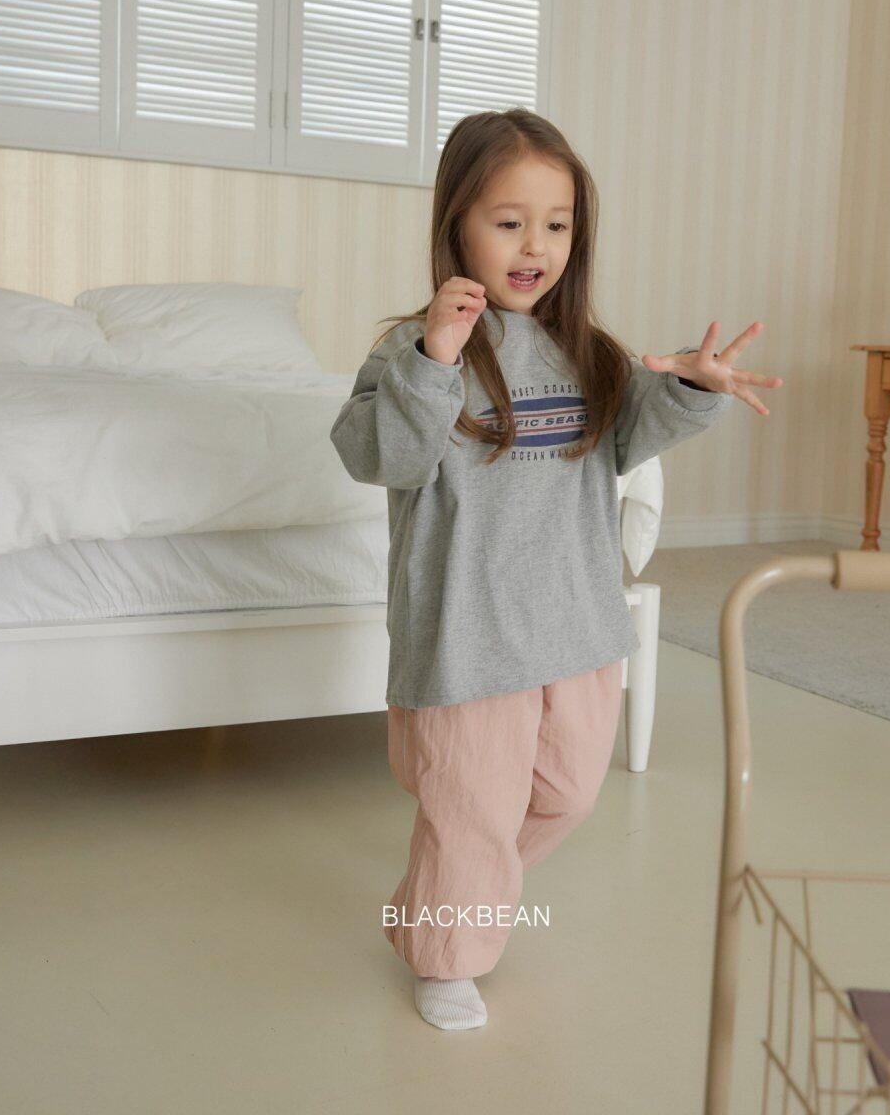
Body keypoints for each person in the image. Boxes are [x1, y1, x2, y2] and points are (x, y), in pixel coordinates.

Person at [329, 108, 782, 1031]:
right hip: (469, 632)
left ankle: (446, 897)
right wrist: (436, 358)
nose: (536, 245)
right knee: (471, 809)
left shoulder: (588, 352)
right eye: (509, 221)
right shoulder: (412, 351)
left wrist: (690, 386)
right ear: (457, 224)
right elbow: (382, 458)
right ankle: (449, 951)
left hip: (577, 620)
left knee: (570, 792)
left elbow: (630, 437)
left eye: (558, 224)